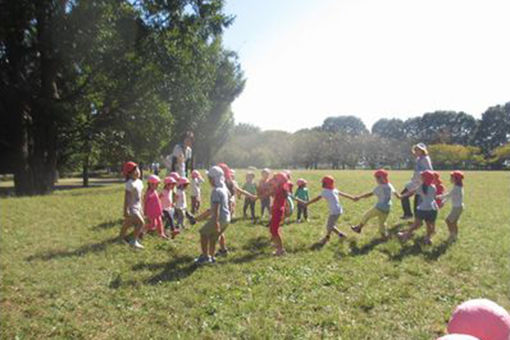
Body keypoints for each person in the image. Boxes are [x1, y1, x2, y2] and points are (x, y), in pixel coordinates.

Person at [215, 163, 257, 256]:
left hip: (223, 210)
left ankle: (211, 253)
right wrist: (251, 195)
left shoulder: (222, 183)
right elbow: (240, 191)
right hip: (226, 209)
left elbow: (238, 191)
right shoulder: (230, 182)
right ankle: (223, 250)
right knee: (219, 231)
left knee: (216, 231)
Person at [193, 166, 231, 264]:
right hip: (226, 218)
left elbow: (216, 208)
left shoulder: (216, 191)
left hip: (219, 219)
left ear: (214, 179)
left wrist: (215, 222)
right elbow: (215, 208)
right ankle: (211, 257)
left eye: (210, 178)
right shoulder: (224, 189)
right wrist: (199, 218)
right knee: (213, 238)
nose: (209, 180)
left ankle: (205, 257)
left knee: (203, 233)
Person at [306, 176, 356, 246]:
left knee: (329, 226)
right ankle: (341, 235)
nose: (322, 184)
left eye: (323, 182)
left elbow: (317, 199)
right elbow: (343, 194)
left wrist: (307, 203)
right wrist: (352, 198)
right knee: (331, 225)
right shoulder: (334, 189)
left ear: (326, 184)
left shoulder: (325, 191)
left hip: (334, 211)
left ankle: (327, 237)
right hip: (338, 210)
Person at [350, 169, 400, 239]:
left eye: (377, 178)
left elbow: (369, 194)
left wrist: (359, 197)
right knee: (382, 223)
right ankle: (384, 236)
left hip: (379, 207)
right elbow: (396, 194)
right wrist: (400, 197)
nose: (376, 180)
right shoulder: (389, 185)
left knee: (366, 216)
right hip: (388, 208)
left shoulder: (380, 187)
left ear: (381, 178)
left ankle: (358, 228)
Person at [397, 170, 438, 245]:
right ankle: (428, 238)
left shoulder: (421, 187)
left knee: (416, 224)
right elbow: (434, 197)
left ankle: (406, 235)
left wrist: (401, 196)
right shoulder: (434, 187)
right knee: (429, 225)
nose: (420, 177)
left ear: (424, 178)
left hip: (423, 209)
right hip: (433, 208)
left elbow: (411, 192)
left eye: (422, 176)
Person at [400, 143, 433, 219]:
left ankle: (416, 218)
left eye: (418, 150)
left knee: (415, 199)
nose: (416, 151)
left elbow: (429, 171)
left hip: (420, 182)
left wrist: (421, 177)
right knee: (405, 196)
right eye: (415, 150)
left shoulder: (425, 159)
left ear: (423, 151)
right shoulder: (419, 159)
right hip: (415, 181)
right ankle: (409, 215)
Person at [119, 161, 145, 249]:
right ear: (129, 174)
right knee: (141, 223)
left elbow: (141, 196)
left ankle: (120, 238)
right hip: (132, 207)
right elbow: (126, 198)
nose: (137, 171)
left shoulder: (140, 182)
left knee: (127, 223)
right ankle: (133, 241)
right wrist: (125, 210)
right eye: (134, 170)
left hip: (138, 206)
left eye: (137, 169)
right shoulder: (129, 183)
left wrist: (142, 207)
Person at [438, 170, 464, 242]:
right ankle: (455, 236)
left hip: (457, 208)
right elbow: (450, 196)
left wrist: (438, 197)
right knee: (454, 222)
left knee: (448, 221)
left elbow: (448, 195)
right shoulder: (457, 187)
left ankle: (452, 235)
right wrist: (443, 202)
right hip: (459, 207)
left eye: (451, 178)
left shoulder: (456, 188)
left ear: (455, 179)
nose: (450, 179)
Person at [143, 175, 167, 239]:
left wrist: (160, 210)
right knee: (151, 223)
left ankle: (161, 233)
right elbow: (145, 201)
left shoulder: (155, 191)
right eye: (155, 184)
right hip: (151, 212)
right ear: (150, 184)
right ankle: (142, 232)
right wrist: (145, 211)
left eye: (157, 184)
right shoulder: (148, 192)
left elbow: (157, 201)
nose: (157, 186)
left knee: (159, 221)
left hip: (157, 211)